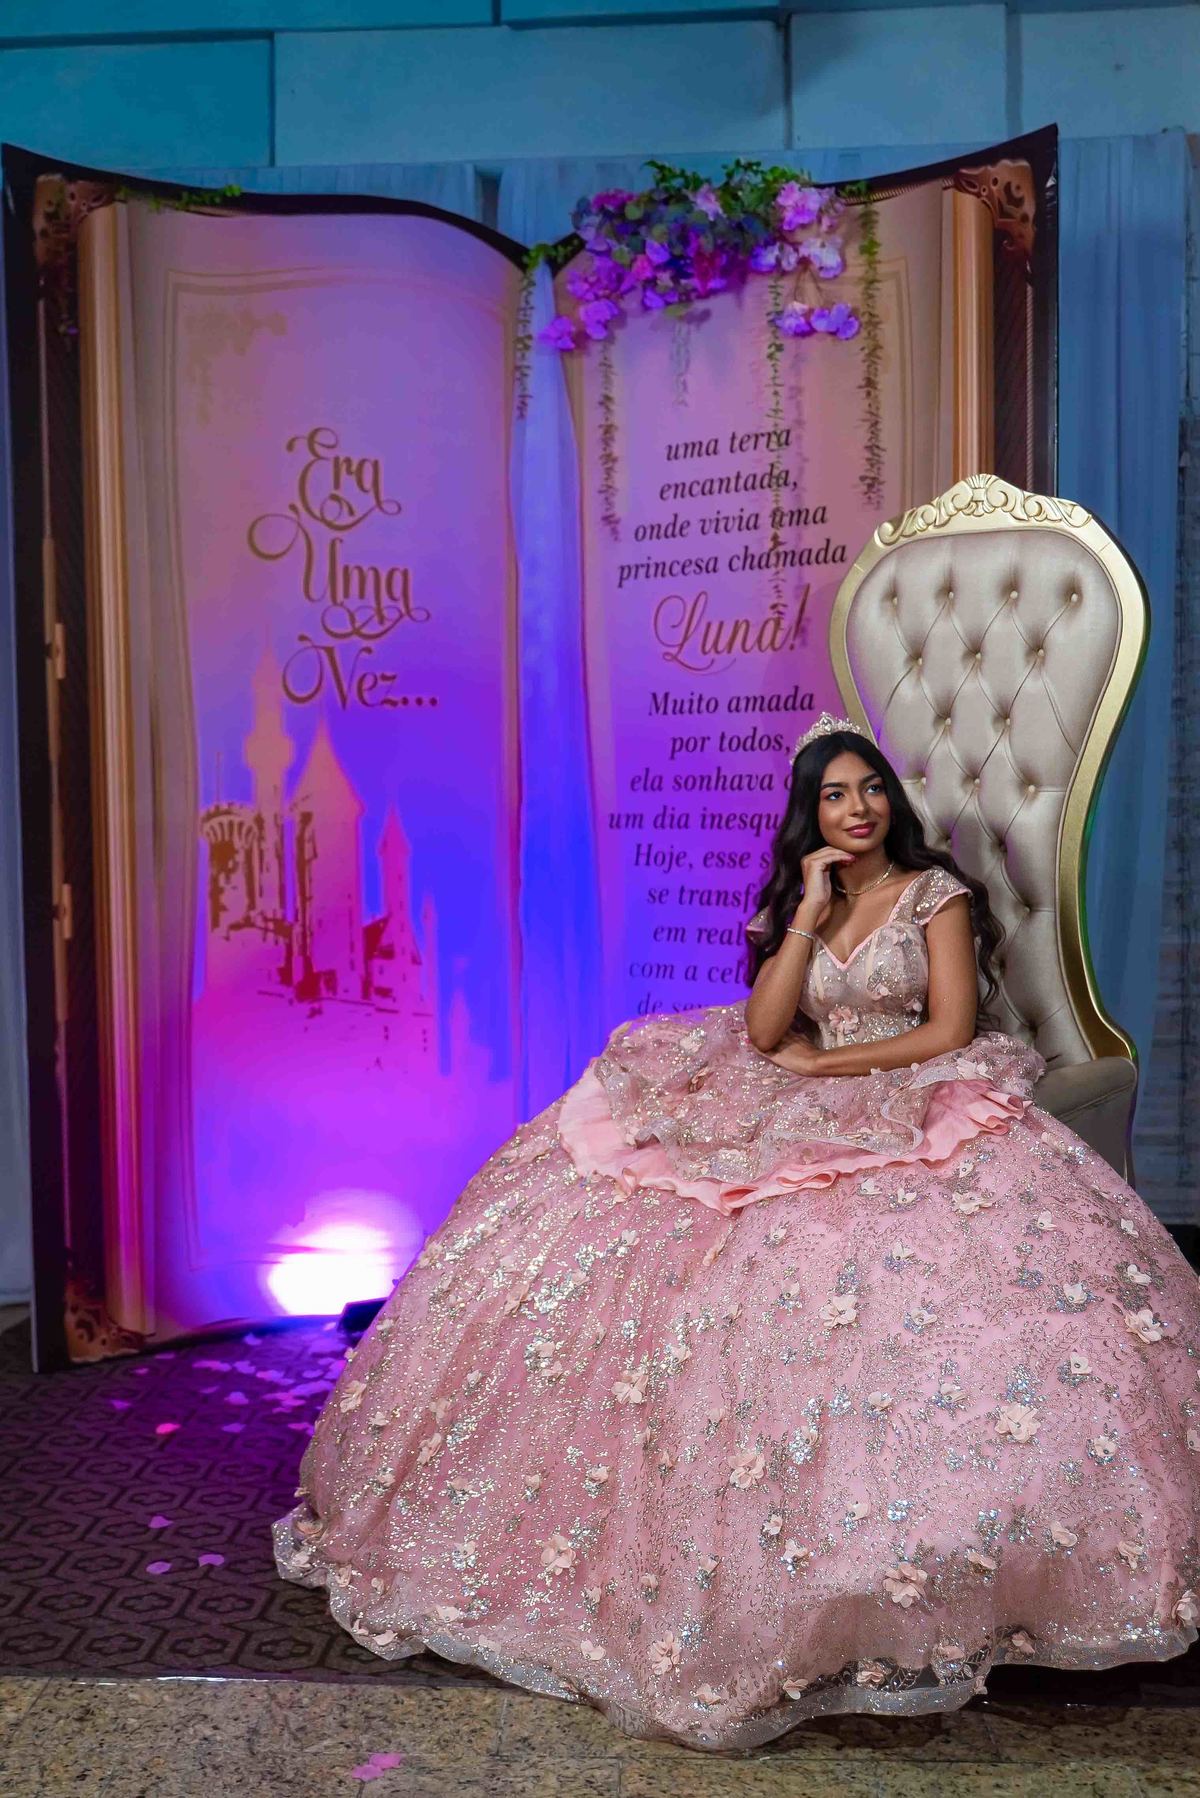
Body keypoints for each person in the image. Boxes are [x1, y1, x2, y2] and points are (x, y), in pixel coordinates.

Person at [273, 713, 1200, 1753]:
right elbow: (763, 1033)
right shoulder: (809, 901)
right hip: (797, 1079)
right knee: (653, 1202)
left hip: (912, 1082)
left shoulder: (932, 896)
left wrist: (827, 1069)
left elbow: (946, 1029)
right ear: (812, 815)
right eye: (835, 796)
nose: (858, 809)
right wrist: (805, 912)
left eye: (871, 789)